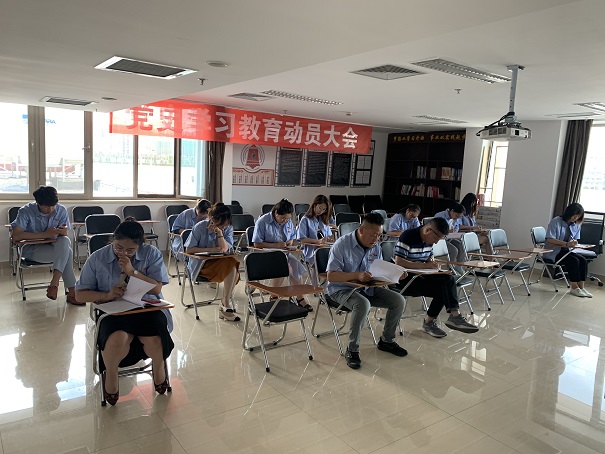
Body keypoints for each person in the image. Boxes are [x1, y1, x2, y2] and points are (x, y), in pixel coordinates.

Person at [75, 218, 173, 405]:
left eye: (130, 250)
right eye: (119, 247)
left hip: (145, 307)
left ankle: (159, 367)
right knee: (117, 339)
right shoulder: (97, 258)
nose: (123, 253)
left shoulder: (151, 253)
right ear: (113, 240)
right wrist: (106, 295)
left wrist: (132, 271)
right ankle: (111, 374)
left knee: (155, 338)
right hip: (113, 309)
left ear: (139, 246)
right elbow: (79, 295)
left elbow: (156, 289)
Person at [326, 212, 408, 369]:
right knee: (362, 304)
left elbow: (379, 269)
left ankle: (387, 341)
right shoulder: (341, 244)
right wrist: (357, 275)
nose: (376, 239)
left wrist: (396, 274)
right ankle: (352, 350)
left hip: (367, 288)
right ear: (362, 230)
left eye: (379, 235)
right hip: (341, 289)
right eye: (373, 235)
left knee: (398, 301)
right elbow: (331, 276)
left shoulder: (375, 246)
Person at [393, 217, 479, 337]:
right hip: (405, 279)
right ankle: (431, 322)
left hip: (421, 276)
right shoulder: (408, 236)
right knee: (443, 288)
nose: (436, 242)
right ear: (428, 230)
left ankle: (454, 315)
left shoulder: (429, 239)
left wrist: (432, 264)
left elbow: (429, 258)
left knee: (448, 279)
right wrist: (425, 266)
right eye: (436, 238)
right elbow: (399, 262)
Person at [10, 186, 79, 305]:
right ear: (38, 203)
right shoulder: (25, 211)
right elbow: (16, 236)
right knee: (68, 252)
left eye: (53, 206)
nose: (51, 209)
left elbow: (64, 233)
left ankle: (55, 283)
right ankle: (71, 292)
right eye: (46, 207)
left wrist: (62, 232)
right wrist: (45, 234)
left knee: (65, 241)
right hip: (32, 249)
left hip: (54, 247)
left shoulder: (61, 209)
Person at [184, 203, 240, 321]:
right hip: (200, 265)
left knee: (233, 264)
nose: (224, 227)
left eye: (226, 225)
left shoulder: (227, 228)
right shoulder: (200, 227)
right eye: (221, 225)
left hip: (218, 263)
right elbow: (189, 250)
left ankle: (225, 302)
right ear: (213, 219)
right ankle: (225, 303)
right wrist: (211, 250)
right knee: (232, 266)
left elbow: (224, 249)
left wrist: (219, 233)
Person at [253, 199, 310, 310]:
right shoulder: (263, 221)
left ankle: (300, 298)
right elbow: (257, 243)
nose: (285, 221)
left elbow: (292, 237)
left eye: (287, 218)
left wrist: (290, 243)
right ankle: (274, 296)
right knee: (283, 264)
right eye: (283, 218)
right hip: (265, 255)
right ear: (276, 213)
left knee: (295, 264)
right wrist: (275, 245)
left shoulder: (288, 221)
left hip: (283, 254)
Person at [544, 203, 592, 298]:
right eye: (574, 215)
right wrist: (566, 244)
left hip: (567, 251)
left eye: (578, 216)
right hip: (554, 252)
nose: (576, 218)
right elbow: (549, 239)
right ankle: (574, 287)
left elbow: (575, 239)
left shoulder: (576, 224)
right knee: (574, 261)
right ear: (569, 213)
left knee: (583, 260)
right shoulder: (556, 221)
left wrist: (574, 243)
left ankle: (581, 287)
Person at [297, 195, 334, 283]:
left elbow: (329, 236)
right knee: (318, 262)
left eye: (324, 209)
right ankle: (315, 287)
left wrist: (329, 239)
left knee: (334, 262)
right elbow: (302, 239)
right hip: (310, 251)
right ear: (314, 205)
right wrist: (318, 241)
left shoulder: (323, 219)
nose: (321, 211)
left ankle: (326, 288)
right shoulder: (305, 219)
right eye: (320, 208)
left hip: (324, 249)